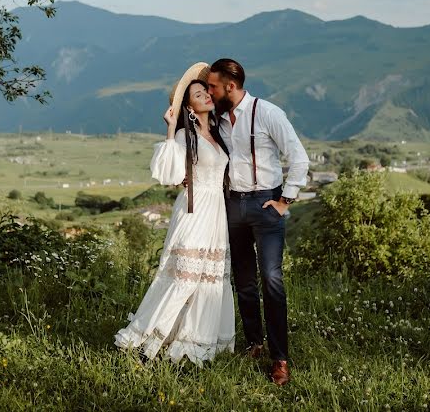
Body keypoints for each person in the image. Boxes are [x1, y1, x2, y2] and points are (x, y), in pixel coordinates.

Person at [114, 63, 235, 365]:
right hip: (194, 210)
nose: (206, 95)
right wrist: (171, 127)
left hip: (217, 212)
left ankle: (194, 344)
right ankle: (146, 342)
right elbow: (169, 174)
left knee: (209, 279)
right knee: (184, 276)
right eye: (198, 94)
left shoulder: (219, 133)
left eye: (206, 91)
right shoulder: (185, 135)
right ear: (189, 106)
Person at [207, 58, 310, 386]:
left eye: (213, 86)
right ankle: (254, 343)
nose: (209, 92)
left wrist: (285, 200)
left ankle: (280, 358)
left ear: (230, 86)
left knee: (272, 280)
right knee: (245, 282)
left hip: (266, 204)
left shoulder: (268, 113)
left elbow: (299, 157)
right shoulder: (219, 119)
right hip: (233, 205)